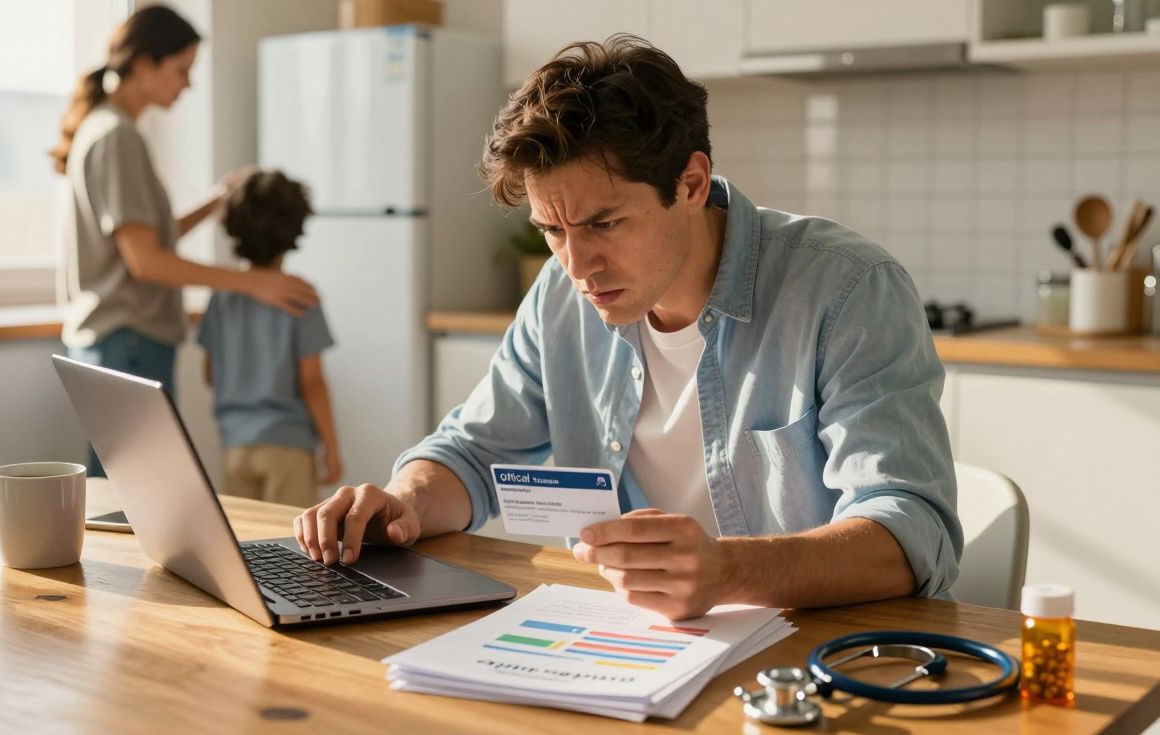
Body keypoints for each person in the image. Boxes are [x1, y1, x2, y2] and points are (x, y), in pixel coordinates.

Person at [295, 35, 962, 621]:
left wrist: (728, 572)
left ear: (692, 183)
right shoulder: (561, 295)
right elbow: (472, 454)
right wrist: (402, 504)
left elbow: (909, 530)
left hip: (808, 655)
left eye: (604, 224)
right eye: (552, 230)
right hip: (630, 645)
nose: (577, 265)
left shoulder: (846, 290)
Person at [53, 5, 317, 476]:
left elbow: (143, 238)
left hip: (115, 339)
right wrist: (253, 282)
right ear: (142, 63)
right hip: (129, 340)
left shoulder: (104, 130)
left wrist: (215, 200)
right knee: (131, 490)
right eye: (182, 70)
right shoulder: (118, 139)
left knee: (120, 488)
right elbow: (145, 262)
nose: (188, 84)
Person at [198, 170, 341, 506]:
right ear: (295, 230)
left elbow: (210, 375)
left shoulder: (222, 296)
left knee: (246, 546)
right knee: (293, 548)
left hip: (235, 447)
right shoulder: (300, 296)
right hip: (288, 447)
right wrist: (332, 447)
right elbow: (312, 383)